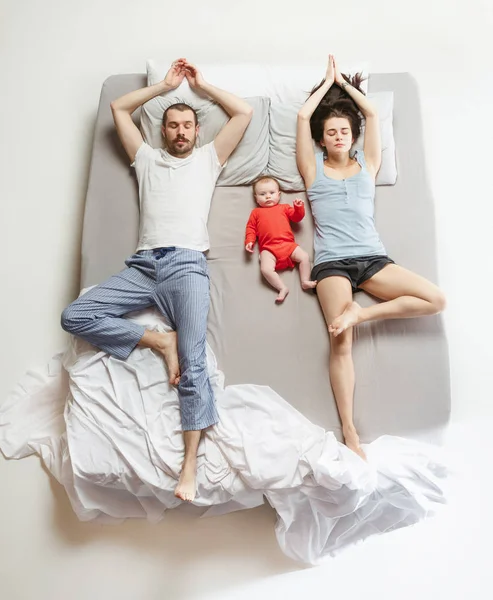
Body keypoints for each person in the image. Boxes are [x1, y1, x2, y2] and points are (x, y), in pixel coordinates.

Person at [61, 58, 253, 501]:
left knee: (193, 361)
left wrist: (202, 87)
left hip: (187, 265)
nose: (182, 131)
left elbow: (242, 113)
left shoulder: (209, 160)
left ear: (197, 132)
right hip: (143, 266)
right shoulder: (145, 158)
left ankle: (189, 467)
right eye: (174, 125)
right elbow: (118, 110)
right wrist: (164, 87)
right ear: (162, 132)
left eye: (188, 125)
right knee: (76, 314)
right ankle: (156, 341)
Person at [296, 54, 446, 459]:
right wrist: (325, 87)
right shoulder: (313, 171)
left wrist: (344, 87)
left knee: (436, 299)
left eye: (345, 130)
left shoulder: (370, 164)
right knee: (340, 342)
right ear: (322, 139)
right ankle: (350, 432)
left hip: (373, 258)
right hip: (332, 264)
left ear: (352, 135)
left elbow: (374, 115)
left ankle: (361, 314)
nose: (340, 136)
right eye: (331, 132)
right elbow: (301, 118)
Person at [244, 176, 316, 302]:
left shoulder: (284, 208)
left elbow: (296, 218)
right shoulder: (256, 213)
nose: (268, 196)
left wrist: (298, 208)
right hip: (268, 248)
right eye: (262, 194)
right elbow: (251, 228)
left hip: (288, 245)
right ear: (256, 198)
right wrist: (249, 241)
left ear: (279, 194)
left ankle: (305, 281)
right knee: (265, 269)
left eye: (271, 193)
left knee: (304, 257)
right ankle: (282, 287)